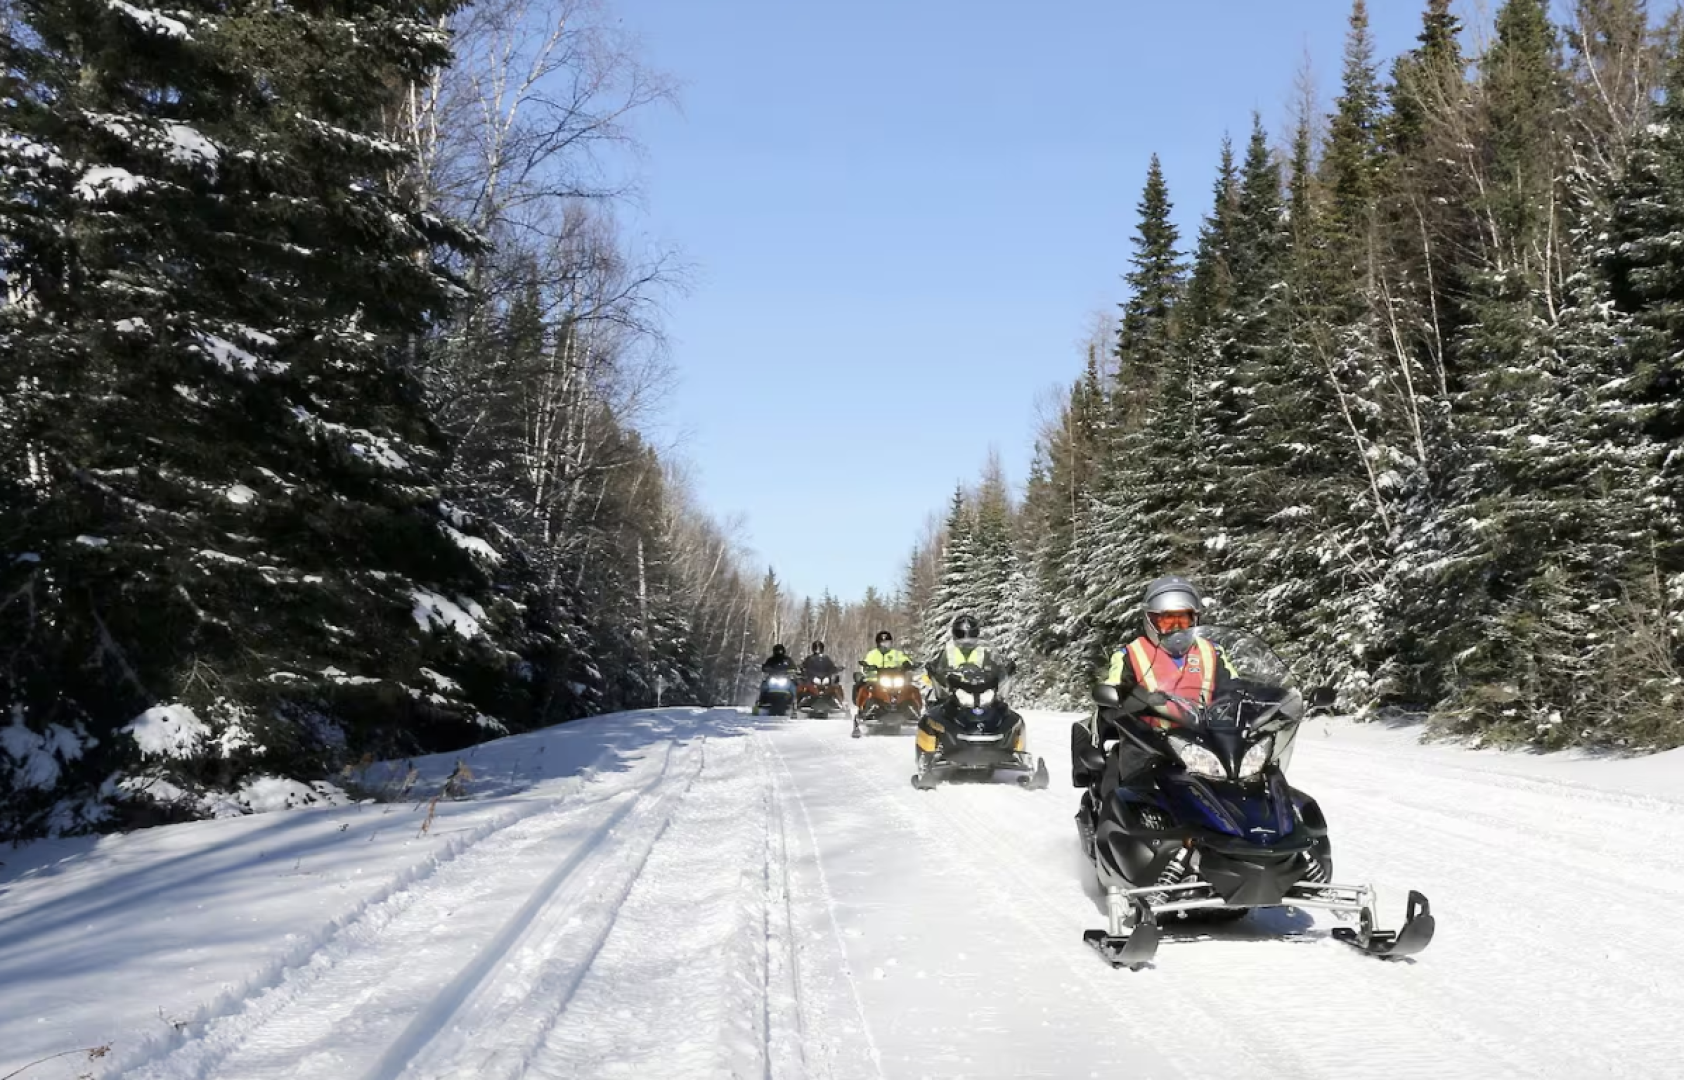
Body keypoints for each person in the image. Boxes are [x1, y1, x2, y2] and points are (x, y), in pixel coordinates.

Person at [1071, 576, 1235, 789]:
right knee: (1131, 796)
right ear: (1152, 620)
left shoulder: (1212, 651)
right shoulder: (1131, 654)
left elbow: (1235, 685)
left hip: (1206, 741)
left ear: (1195, 620)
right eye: (1168, 620)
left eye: (1183, 620)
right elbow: (1114, 694)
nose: (1177, 628)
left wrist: (1269, 698)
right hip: (1149, 743)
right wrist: (1140, 701)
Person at [854, 630, 913, 737]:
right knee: (865, 689)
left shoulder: (896, 653)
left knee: (908, 690)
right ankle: (862, 711)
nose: (886, 645)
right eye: (883, 643)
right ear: (878, 643)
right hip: (876, 680)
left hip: (894, 680)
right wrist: (867, 667)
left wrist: (906, 663)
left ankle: (910, 710)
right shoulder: (872, 654)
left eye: (888, 642)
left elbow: (905, 659)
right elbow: (865, 664)